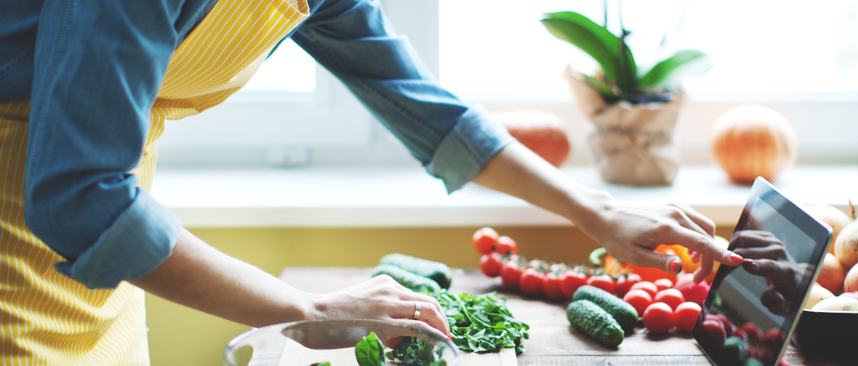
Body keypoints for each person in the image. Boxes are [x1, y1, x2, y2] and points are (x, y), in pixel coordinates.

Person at [0, 0, 744, 363]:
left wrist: (599, 210)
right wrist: (312, 305)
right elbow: (78, 192)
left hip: (107, 264)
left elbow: (424, 108)